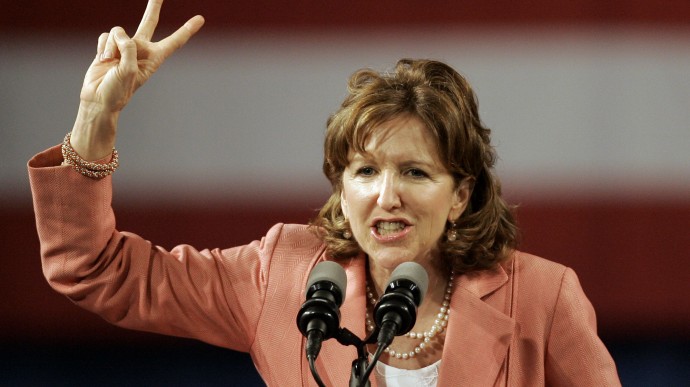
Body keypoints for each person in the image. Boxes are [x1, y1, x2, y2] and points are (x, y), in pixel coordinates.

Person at [28, 1, 621, 385]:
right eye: (364, 172)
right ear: (341, 186)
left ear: (461, 194)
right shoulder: (282, 275)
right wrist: (94, 122)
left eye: (415, 173)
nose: (387, 196)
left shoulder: (542, 299)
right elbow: (92, 269)